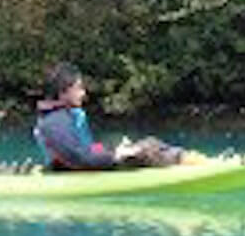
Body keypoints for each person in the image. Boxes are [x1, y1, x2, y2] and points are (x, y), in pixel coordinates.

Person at [34, 62, 186, 171]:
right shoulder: (55, 122)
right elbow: (79, 158)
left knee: (146, 144)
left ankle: (187, 160)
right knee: (147, 148)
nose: (83, 93)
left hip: (85, 168)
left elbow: (87, 149)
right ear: (63, 92)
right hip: (74, 175)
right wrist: (115, 155)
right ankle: (192, 164)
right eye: (78, 88)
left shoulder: (64, 116)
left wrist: (114, 148)